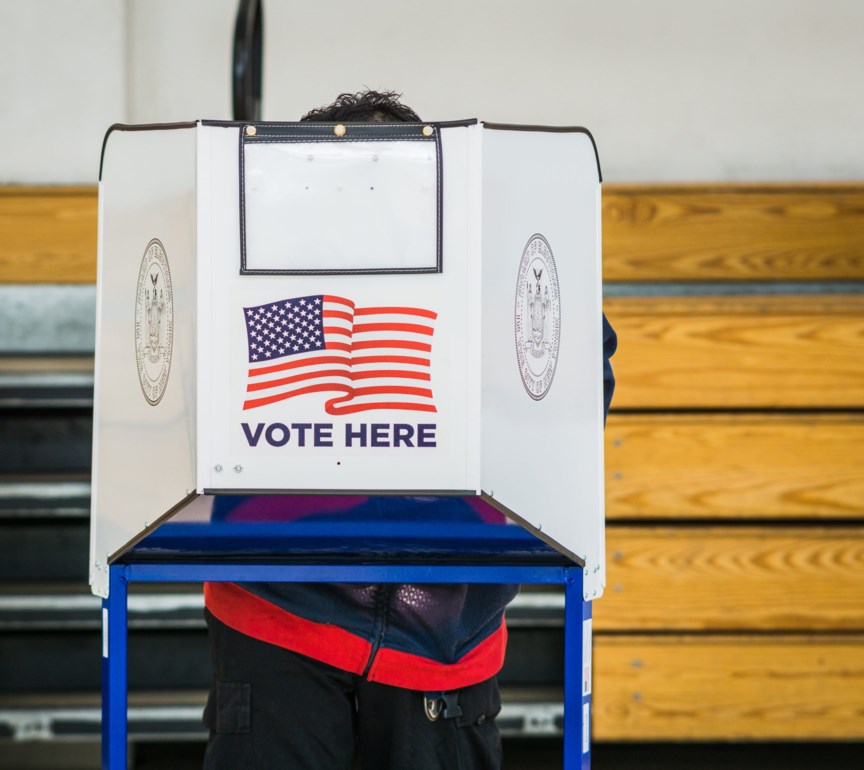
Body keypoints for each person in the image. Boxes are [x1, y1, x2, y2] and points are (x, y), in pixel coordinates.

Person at [202, 90, 618, 770]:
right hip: (280, 619)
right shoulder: (254, 275)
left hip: (441, 644)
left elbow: (573, 393)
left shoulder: (500, 278)